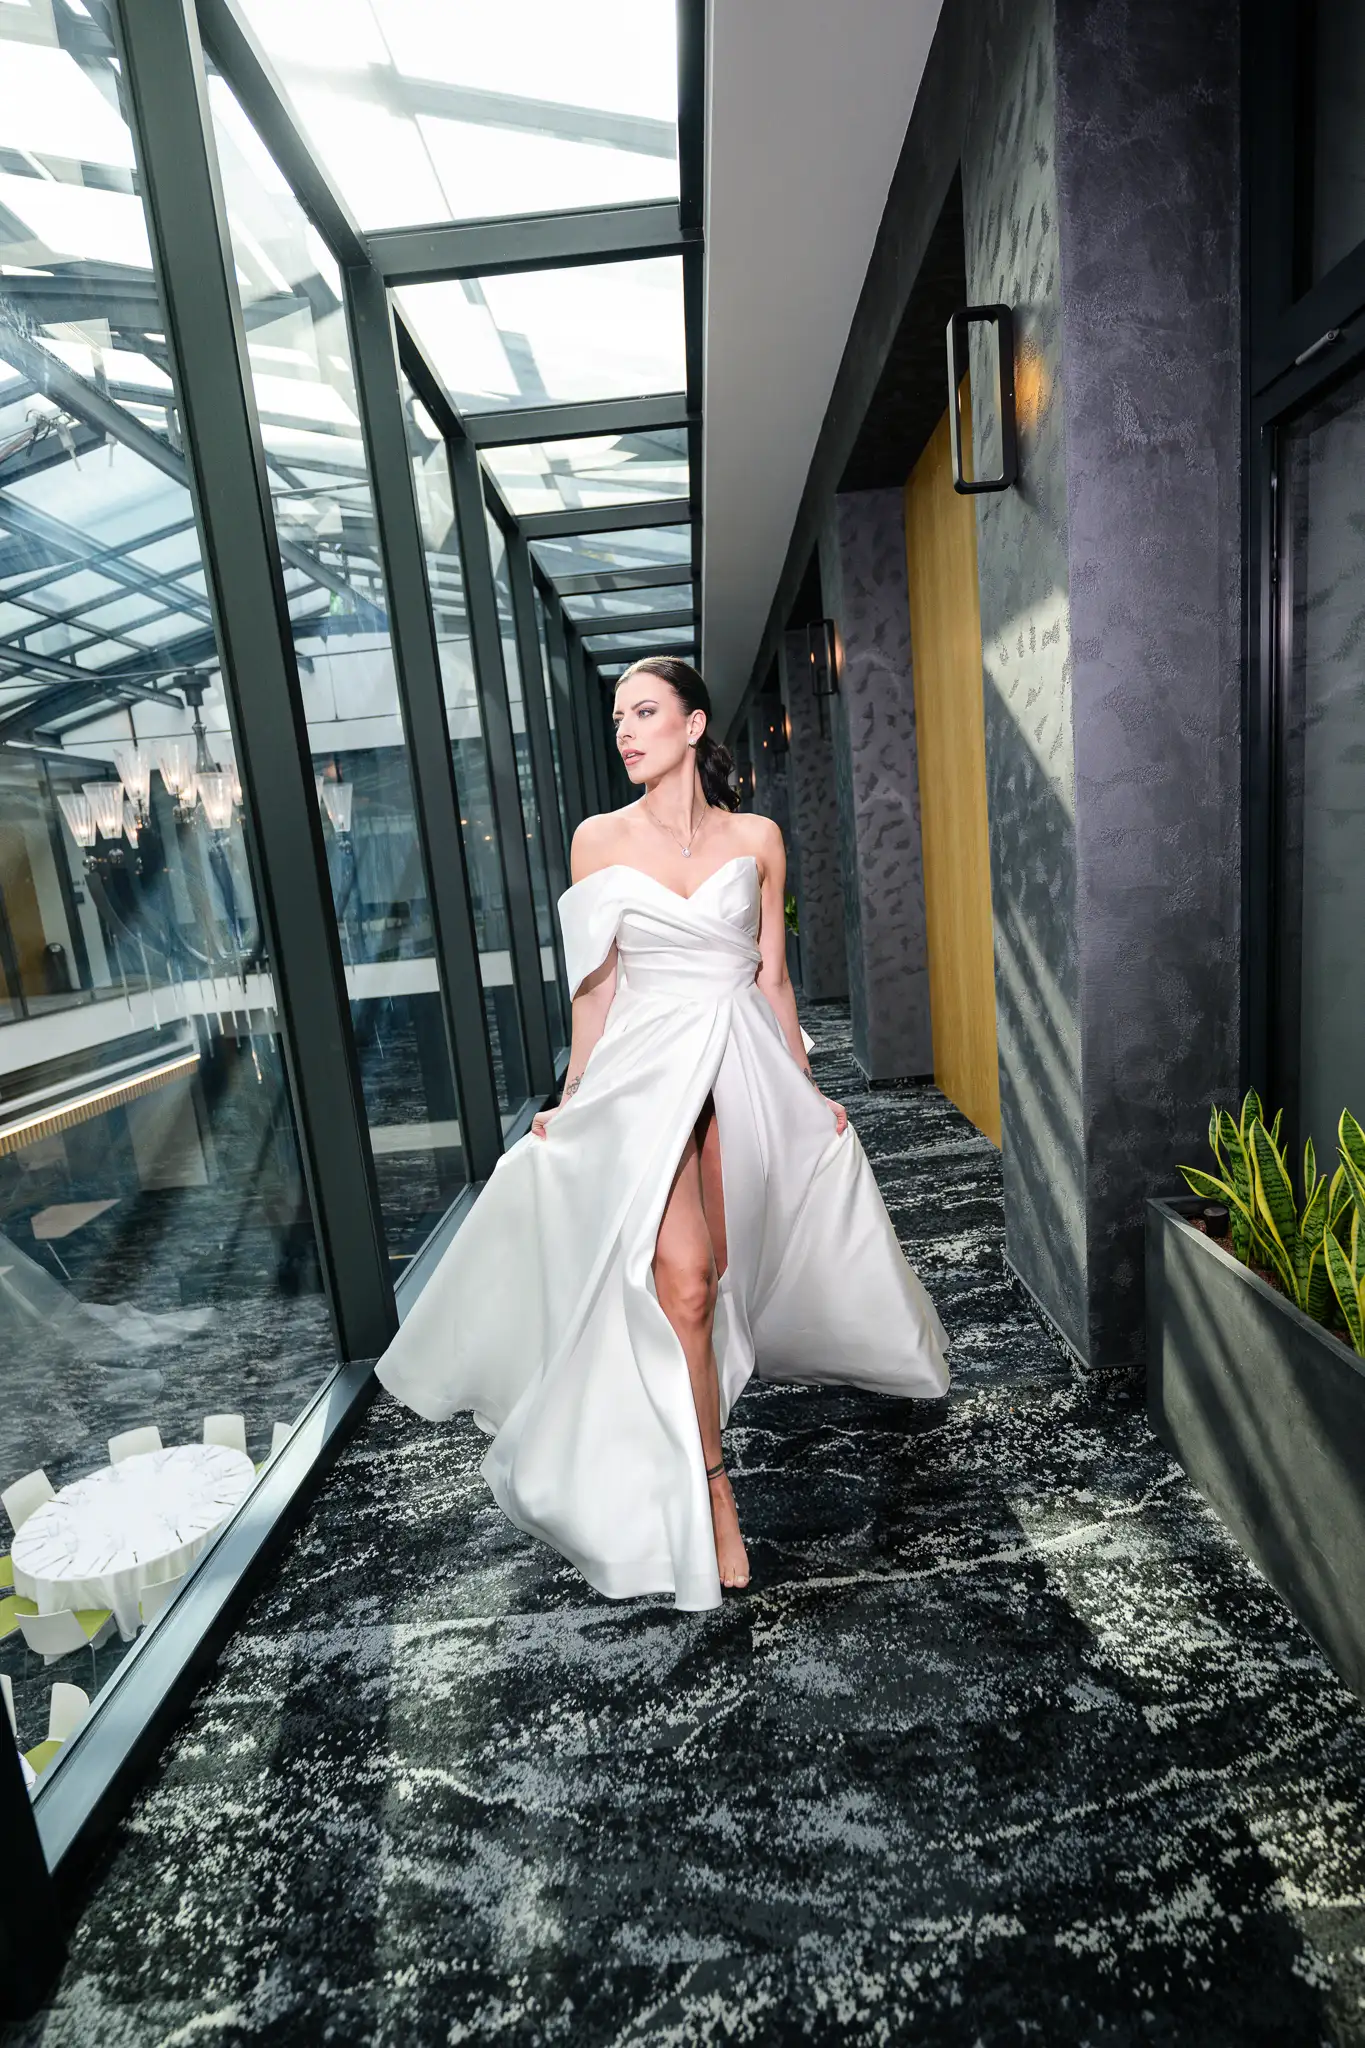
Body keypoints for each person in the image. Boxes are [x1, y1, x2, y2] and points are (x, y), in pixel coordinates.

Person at [375, 656, 950, 1606]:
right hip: (647, 1075)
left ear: (692, 726)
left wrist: (807, 1092)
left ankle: (688, 1402)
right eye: (616, 718)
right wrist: (569, 1095)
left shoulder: (757, 836)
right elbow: (594, 995)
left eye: (644, 712)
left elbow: (770, 978)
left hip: (742, 1066)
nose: (625, 731)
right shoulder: (596, 842)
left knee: (721, 1274)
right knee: (681, 1282)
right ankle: (710, 1489)